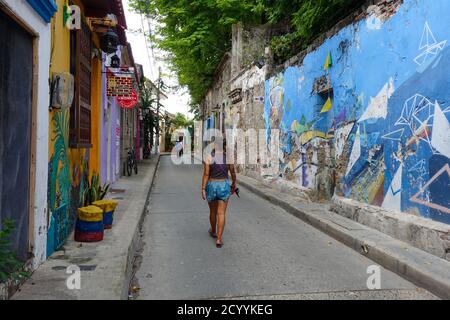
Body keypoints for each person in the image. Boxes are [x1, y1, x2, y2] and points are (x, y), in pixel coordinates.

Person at [201, 139, 237, 248]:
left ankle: (213, 231)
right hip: (224, 186)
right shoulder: (228, 158)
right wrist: (234, 184)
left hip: (211, 185)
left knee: (213, 211)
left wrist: (203, 188)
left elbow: (206, 174)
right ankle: (219, 239)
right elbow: (233, 173)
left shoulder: (209, 157)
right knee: (221, 213)